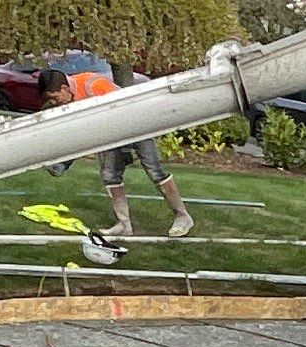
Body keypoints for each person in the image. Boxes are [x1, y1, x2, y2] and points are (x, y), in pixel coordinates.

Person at [36, 52, 193, 243]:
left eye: (54, 97)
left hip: (137, 123)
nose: (54, 102)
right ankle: (124, 225)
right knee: (110, 175)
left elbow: (126, 109)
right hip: (108, 131)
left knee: (154, 169)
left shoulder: (93, 85)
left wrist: (124, 148)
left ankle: (182, 216)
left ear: (64, 88)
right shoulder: (69, 97)